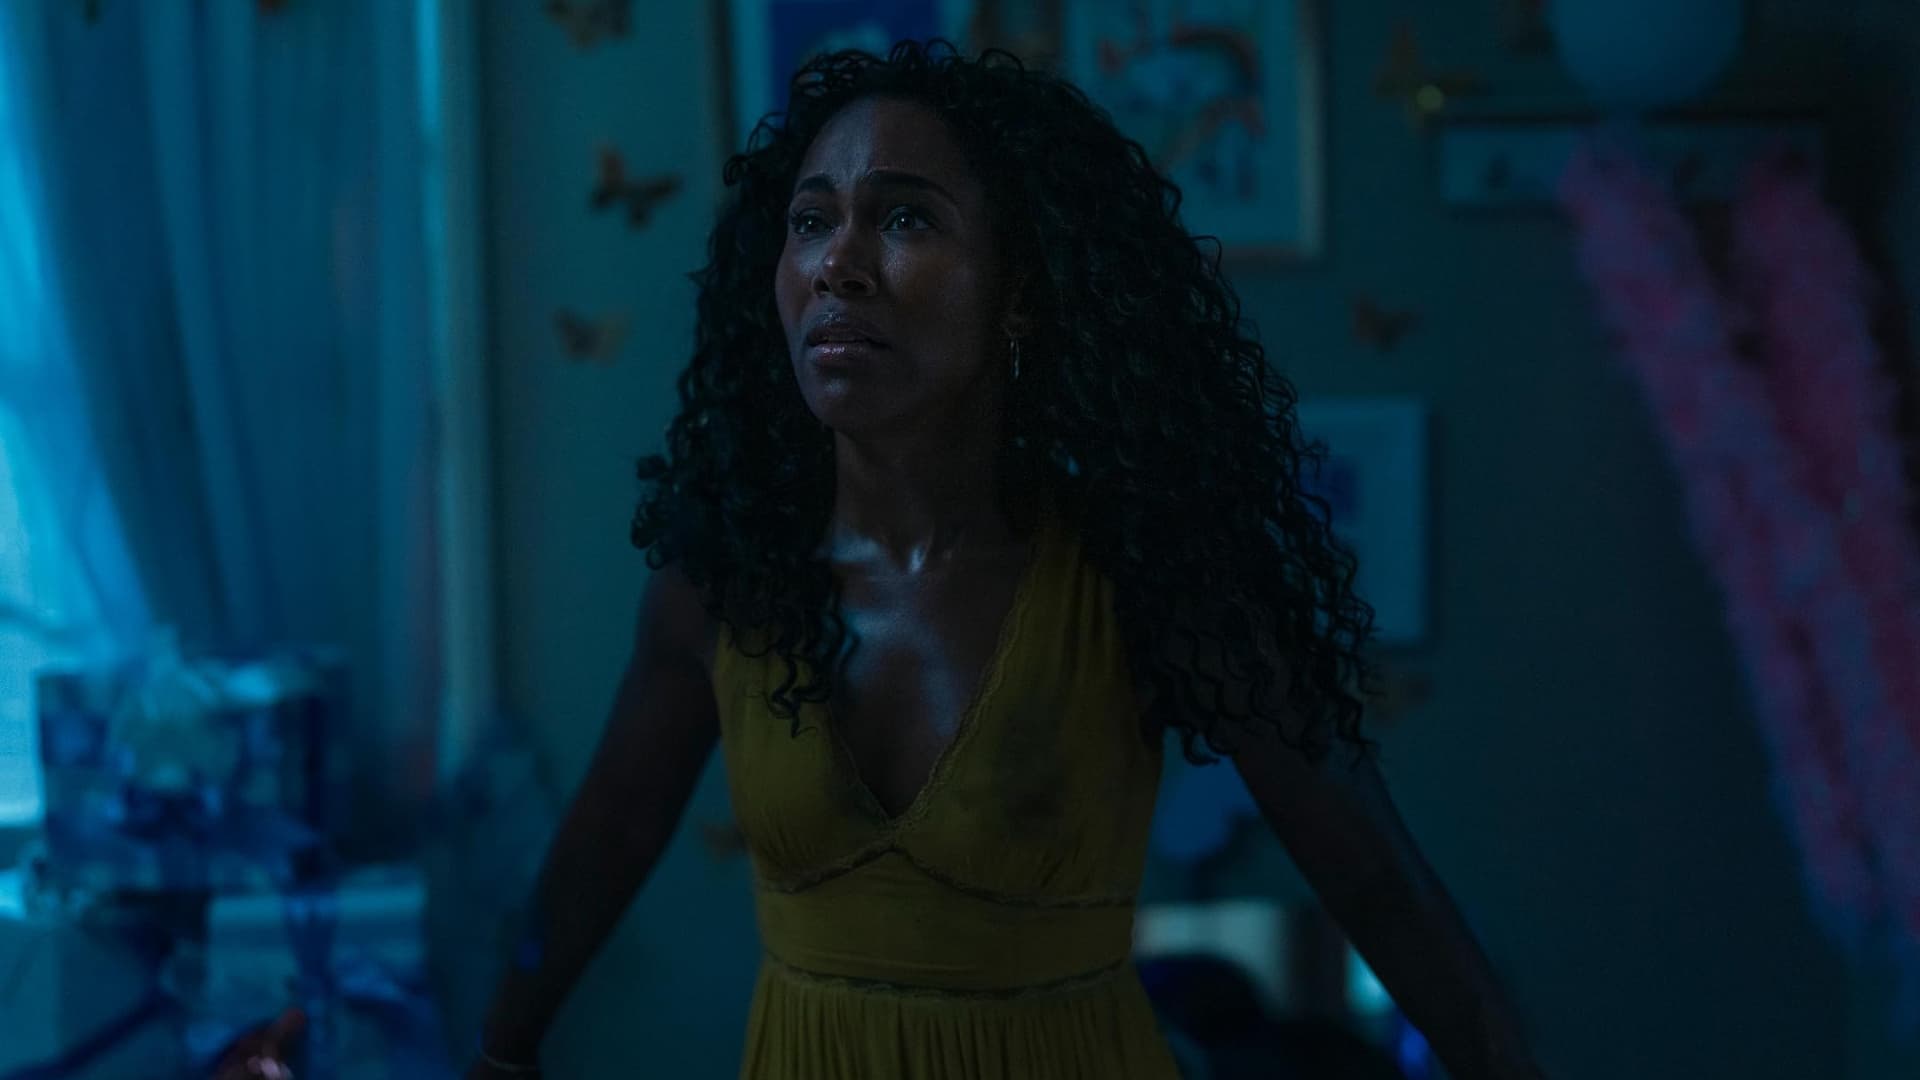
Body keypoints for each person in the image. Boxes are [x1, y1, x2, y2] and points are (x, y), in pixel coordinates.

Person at [469, 40, 1546, 1080]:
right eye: (811, 221)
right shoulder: (723, 582)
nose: (838, 263)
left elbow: (1370, 876)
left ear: (1020, 290)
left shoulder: (1139, 569)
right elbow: (610, 833)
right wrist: (501, 1052)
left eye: (904, 218)